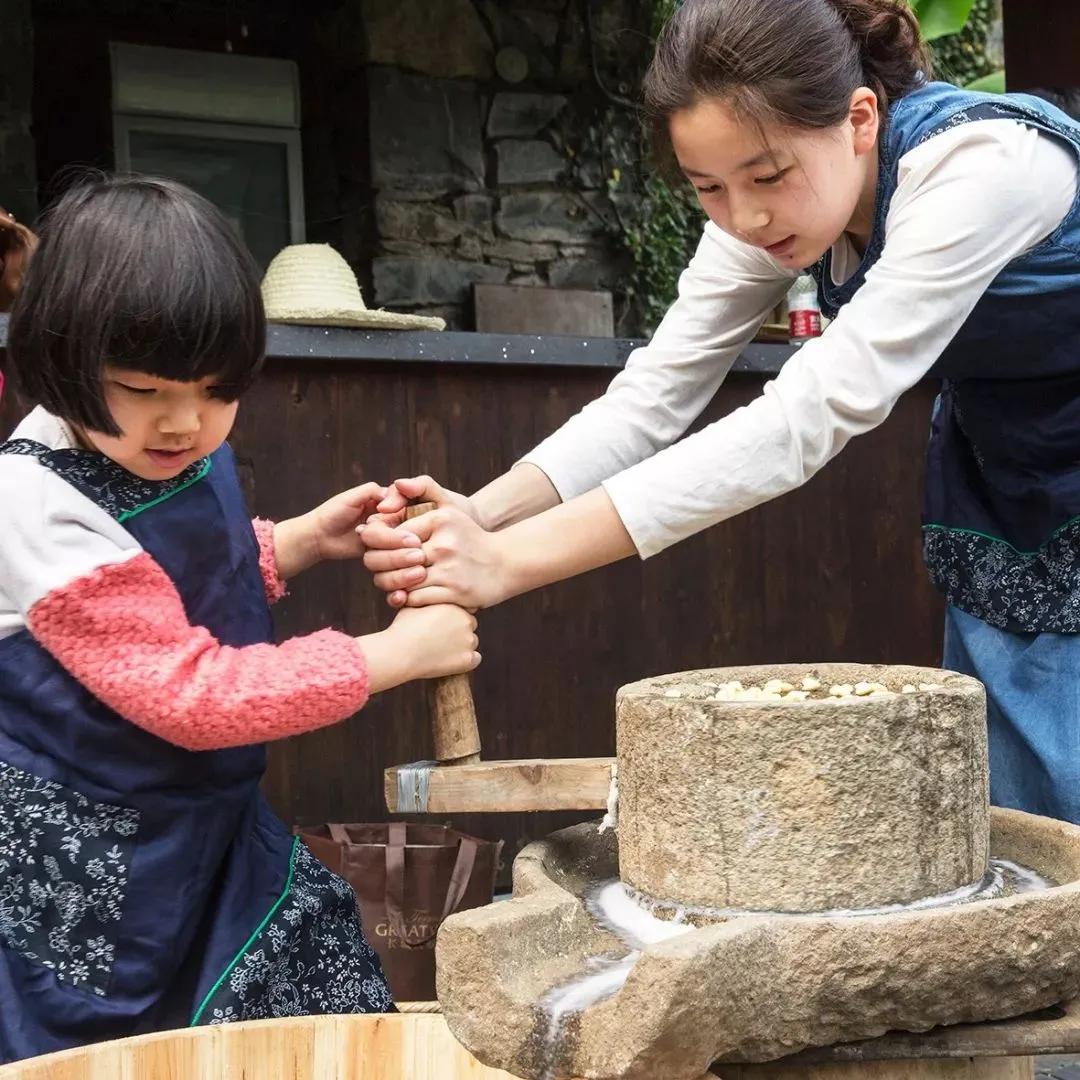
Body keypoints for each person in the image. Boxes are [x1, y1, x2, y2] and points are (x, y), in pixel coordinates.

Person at [362, 0, 1080, 826]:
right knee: (1013, 819)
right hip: (1008, 489)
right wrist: (480, 516)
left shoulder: (980, 164)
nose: (745, 217)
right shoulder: (761, 205)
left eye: (767, 178)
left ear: (858, 119)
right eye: (708, 188)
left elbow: (808, 414)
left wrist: (507, 564)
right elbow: (657, 389)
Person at [0, 175, 480, 1063]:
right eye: (143, 390)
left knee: (305, 998)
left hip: (204, 827)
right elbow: (191, 691)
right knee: (112, 1054)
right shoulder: (36, 506)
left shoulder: (142, 446)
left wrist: (298, 542)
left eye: (218, 391)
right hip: (99, 868)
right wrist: (389, 656)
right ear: (62, 359)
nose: (184, 421)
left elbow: (176, 580)